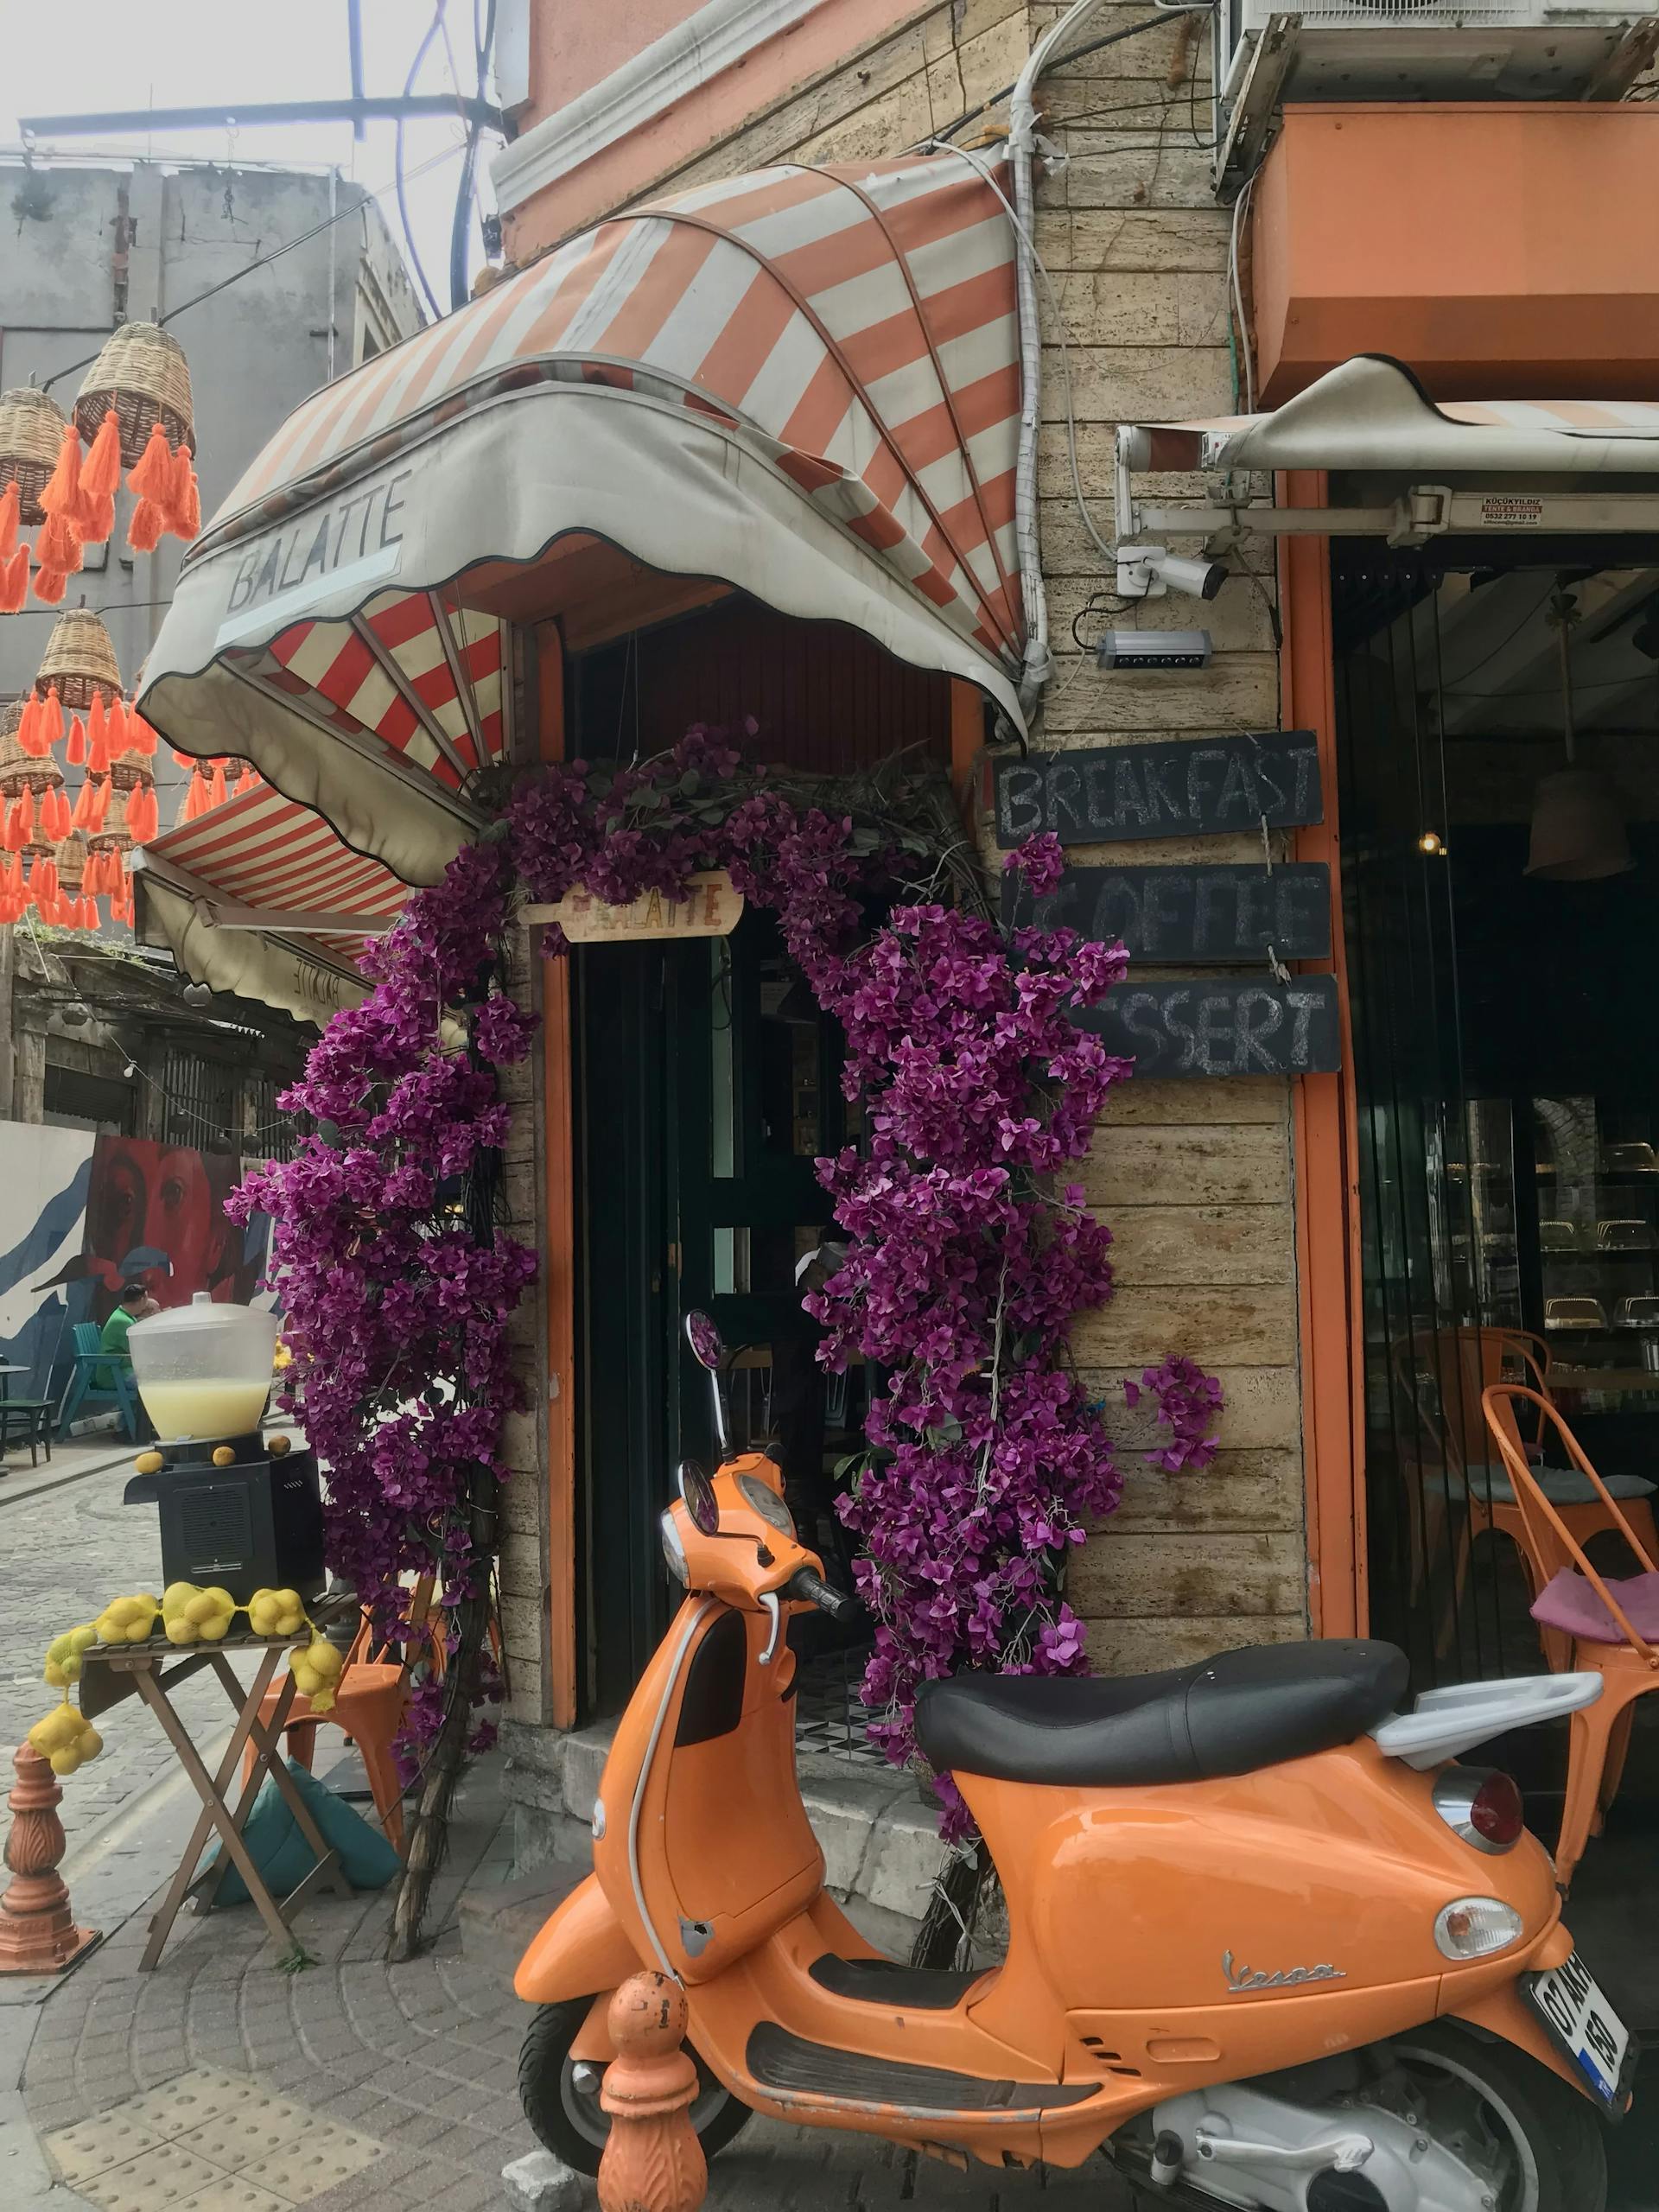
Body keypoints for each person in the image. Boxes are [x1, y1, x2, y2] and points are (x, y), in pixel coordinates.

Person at [98, 1280, 159, 1435]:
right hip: (113, 1373)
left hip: (122, 1369)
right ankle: (130, 1429)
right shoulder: (122, 1321)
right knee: (147, 1386)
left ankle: (129, 1426)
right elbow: (138, 1350)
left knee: (149, 1383)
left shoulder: (125, 1317)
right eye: (146, 1300)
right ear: (141, 1300)